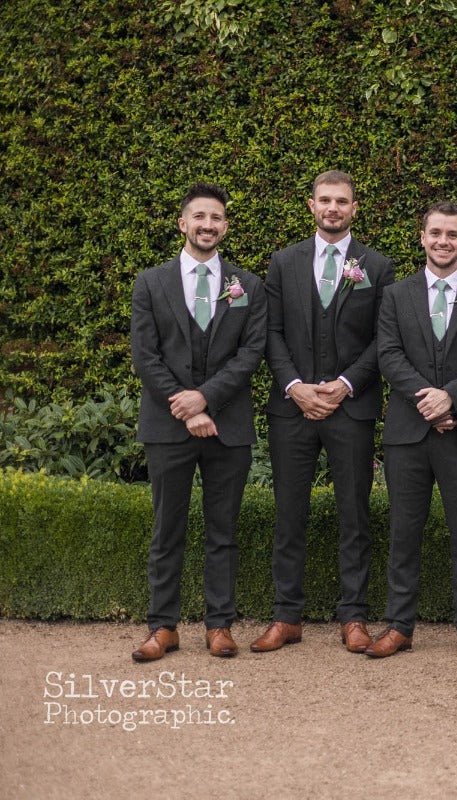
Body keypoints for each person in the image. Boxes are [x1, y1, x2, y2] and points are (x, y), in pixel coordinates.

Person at [252, 170, 395, 655]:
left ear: (355, 208)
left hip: (349, 407)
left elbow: (384, 339)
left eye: (342, 201)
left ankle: (353, 617)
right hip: (292, 409)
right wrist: (294, 386)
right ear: (311, 206)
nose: (333, 208)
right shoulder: (283, 262)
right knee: (289, 513)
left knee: (354, 514)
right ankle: (286, 617)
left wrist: (345, 383)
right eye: (325, 200)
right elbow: (270, 333)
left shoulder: (377, 266)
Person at [130, 182, 266, 661]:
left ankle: (219, 625)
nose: (208, 225)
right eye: (199, 217)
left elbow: (252, 353)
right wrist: (184, 406)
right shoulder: (150, 283)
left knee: (223, 531)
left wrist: (205, 398)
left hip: (228, 426)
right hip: (168, 427)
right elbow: (145, 357)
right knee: (167, 528)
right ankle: (162, 627)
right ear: (182, 223)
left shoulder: (247, 285)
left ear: (225, 226)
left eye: (217, 218)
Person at [367, 202, 457, 659]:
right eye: (436, 233)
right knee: (405, 532)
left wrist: (452, 397)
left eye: (452, 234)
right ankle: (399, 626)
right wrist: (428, 400)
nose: (443, 241)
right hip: (409, 433)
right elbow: (388, 354)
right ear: (422, 238)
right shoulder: (395, 295)